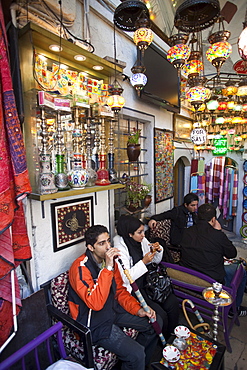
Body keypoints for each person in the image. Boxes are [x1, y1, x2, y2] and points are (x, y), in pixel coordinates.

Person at [68, 224, 162, 370]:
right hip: (94, 322)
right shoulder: (80, 268)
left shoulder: (108, 262)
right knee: (136, 354)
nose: (108, 247)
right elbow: (96, 304)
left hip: (112, 310)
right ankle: (135, 359)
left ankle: (136, 363)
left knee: (155, 322)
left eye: (108, 241)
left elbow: (120, 292)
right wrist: (108, 268)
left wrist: (138, 310)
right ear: (90, 247)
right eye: (101, 243)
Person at [114, 215, 179, 339]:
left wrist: (157, 250)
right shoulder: (120, 250)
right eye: (139, 232)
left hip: (149, 282)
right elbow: (126, 278)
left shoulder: (141, 240)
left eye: (143, 231)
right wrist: (143, 262)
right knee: (161, 315)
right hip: (135, 289)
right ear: (129, 234)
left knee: (172, 303)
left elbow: (155, 261)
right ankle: (163, 342)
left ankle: (173, 335)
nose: (143, 235)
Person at [179, 203, 247, 317]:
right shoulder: (217, 235)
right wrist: (219, 232)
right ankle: (234, 309)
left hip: (189, 275)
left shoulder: (186, 232)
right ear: (213, 219)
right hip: (211, 280)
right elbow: (232, 254)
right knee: (241, 270)